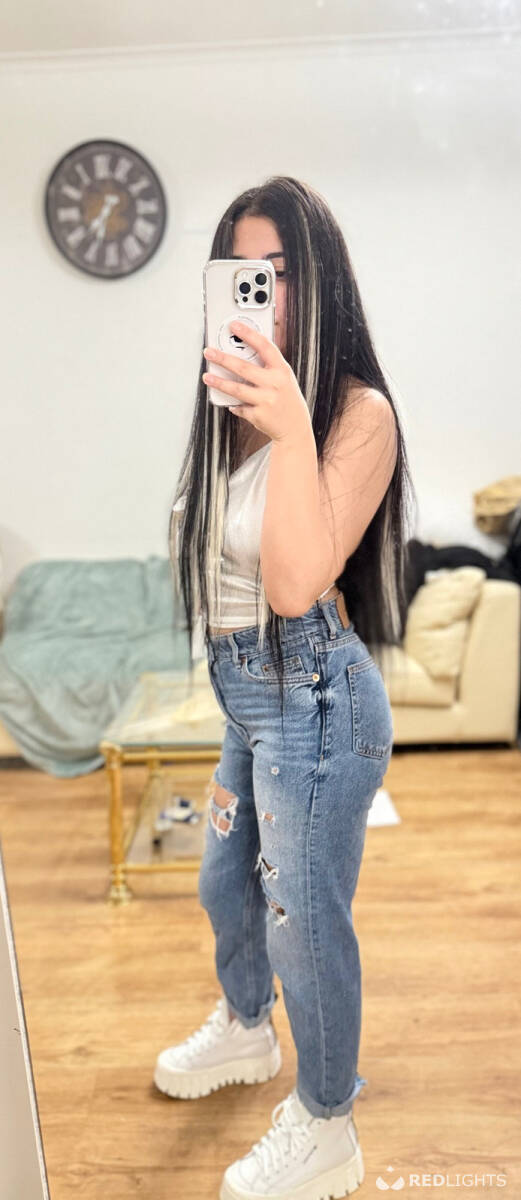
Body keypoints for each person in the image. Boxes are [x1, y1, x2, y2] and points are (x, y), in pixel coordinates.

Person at [158, 176, 416, 1200]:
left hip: (313, 693)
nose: (261, 292)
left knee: (300, 924)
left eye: (280, 272)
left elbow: (294, 582)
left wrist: (294, 431)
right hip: (246, 690)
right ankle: (246, 1027)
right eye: (241, 273)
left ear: (317, 280)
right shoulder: (228, 409)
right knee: (223, 886)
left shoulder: (355, 414)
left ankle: (325, 1123)